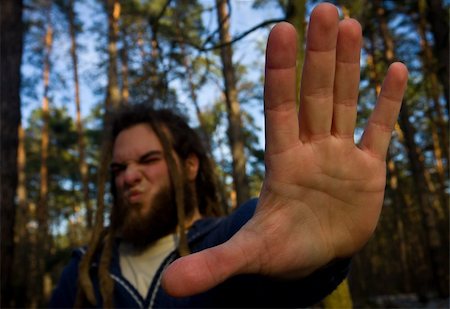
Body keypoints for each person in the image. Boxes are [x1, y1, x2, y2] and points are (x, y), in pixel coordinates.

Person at [49, 3, 408, 308]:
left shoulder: (231, 239)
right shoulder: (84, 270)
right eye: (119, 167)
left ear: (190, 166)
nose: (129, 176)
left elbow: (272, 248)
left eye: (148, 160)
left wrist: (319, 260)